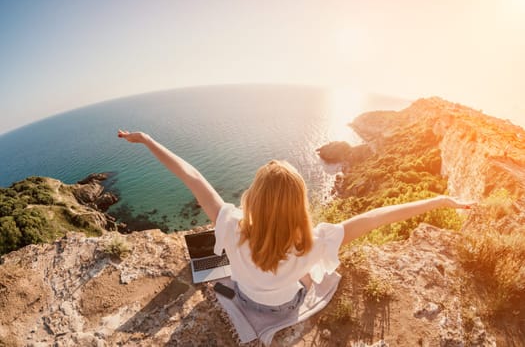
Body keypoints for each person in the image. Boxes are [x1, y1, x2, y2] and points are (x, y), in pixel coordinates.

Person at [118, 130, 473, 309]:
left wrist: (148, 141)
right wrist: (440, 200)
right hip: (285, 303)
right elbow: (377, 217)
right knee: (310, 272)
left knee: (218, 257)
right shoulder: (315, 242)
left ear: (253, 199)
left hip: (246, 298)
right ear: (299, 205)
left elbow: (193, 177)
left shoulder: (231, 225)